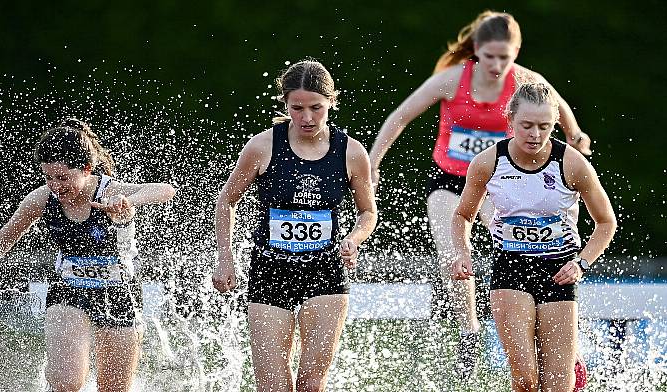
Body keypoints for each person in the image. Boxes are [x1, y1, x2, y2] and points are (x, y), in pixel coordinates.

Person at [368, 10, 593, 375]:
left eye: (505, 57)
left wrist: (576, 136)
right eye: (489, 56)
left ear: (516, 52)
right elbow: (400, 116)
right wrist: (373, 163)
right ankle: (469, 332)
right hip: (449, 180)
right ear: (476, 50)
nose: (497, 65)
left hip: (498, 181)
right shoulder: (453, 79)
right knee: (451, 247)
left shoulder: (524, 82)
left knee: (526, 242)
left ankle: (557, 337)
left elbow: (558, 108)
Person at [0, 118, 176, 392]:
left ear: (86, 169)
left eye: (63, 177)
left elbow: (165, 190)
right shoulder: (42, 198)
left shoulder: (109, 190)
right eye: (49, 177)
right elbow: (7, 235)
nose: (56, 186)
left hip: (118, 293)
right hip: (68, 290)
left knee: (113, 389)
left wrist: (127, 202)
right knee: (65, 382)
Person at [212, 59, 377, 392]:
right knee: (272, 386)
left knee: (311, 384)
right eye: (297, 108)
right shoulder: (262, 146)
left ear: (332, 102)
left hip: (326, 269)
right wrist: (225, 256)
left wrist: (355, 238)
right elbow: (226, 200)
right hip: (271, 268)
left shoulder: (351, 152)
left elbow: (368, 213)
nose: (306, 118)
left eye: (316, 107)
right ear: (285, 103)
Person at [451, 82, 616, 391]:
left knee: (559, 385)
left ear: (554, 125)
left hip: (559, 272)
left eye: (544, 127)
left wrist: (582, 263)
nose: (535, 135)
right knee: (526, 380)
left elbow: (606, 223)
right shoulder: (488, 163)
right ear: (510, 120)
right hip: (511, 268)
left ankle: (571, 363)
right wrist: (463, 252)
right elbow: (462, 216)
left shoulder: (573, 164)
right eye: (526, 125)